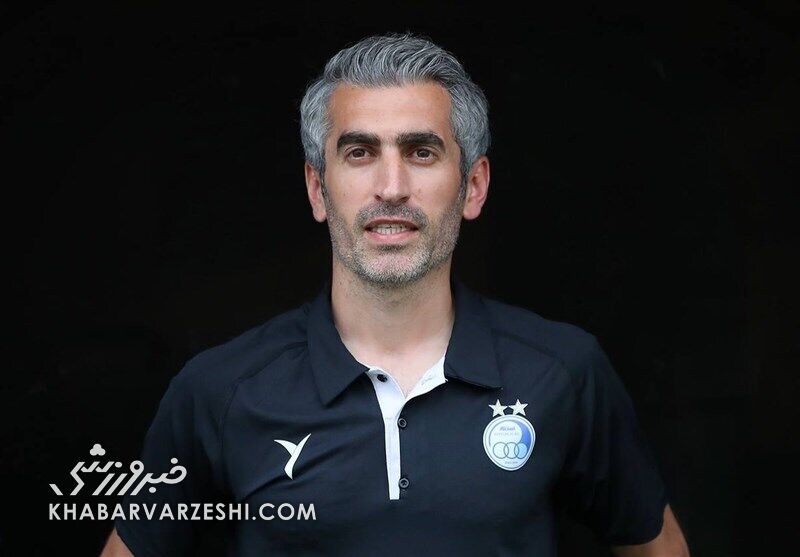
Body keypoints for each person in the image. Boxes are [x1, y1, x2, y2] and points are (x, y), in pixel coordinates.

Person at [101, 32, 690, 556]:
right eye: (359, 153)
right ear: (317, 188)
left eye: (421, 152)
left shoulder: (562, 371)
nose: (391, 187)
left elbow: (655, 547)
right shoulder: (220, 391)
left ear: (473, 186)